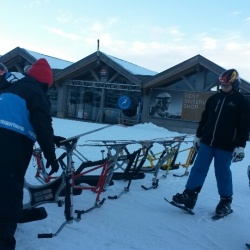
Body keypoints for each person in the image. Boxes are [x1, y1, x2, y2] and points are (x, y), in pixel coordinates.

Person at [171, 69, 249, 217]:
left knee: (222, 172)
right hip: (207, 141)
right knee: (198, 168)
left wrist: (240, 145)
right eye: (221, 85)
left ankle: (225, 202)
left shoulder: (242, 102)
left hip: (226, 145)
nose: (223, 88)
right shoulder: (214, 99)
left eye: (226, 85)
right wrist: (198, 136)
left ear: (235, 84)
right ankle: (189, 196)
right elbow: (205, 119)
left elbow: (244, 126)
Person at [0, 58, 60, 249]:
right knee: (9, 191)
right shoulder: (37, 94)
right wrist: (51, 155)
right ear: (45, 83)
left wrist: (52, 138)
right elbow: (42, 125)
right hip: (9, 146)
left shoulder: (12, 88)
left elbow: (21, 116)